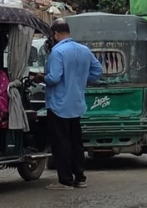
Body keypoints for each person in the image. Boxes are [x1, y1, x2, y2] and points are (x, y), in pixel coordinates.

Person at [34, 19, 103, 190]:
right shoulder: (84, 50)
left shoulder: (57, 53)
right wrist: (80, 80)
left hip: (59, 105)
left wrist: (41, 78)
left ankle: (65, 180)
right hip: (76, 103)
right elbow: (98, 71)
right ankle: (80, 178)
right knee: (76, 142)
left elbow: (54, 78)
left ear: (56, 34)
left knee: (61, 143)